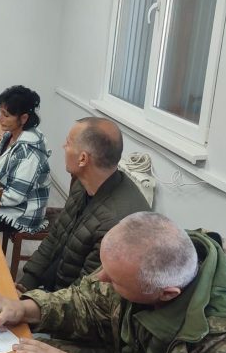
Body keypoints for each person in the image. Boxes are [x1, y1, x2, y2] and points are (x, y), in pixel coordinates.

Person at [0, 212, 226, 353]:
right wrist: (27, 309)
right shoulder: (148, 257)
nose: (100, 278)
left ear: (167, 294)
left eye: (114, 280)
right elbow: (89, 301)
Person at [17, 117, 150, 293]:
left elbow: (84, 295)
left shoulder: (114, 224)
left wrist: (31, 302)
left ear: (82, 159)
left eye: (68, 143)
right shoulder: (83, 183)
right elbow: (56, 236)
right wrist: (25, 284)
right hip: (54, 290)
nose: (63, 147)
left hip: (67, 302)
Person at [0, 85, 51, 233]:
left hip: (21, 213)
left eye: (5, 115)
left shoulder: (29, 153)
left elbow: (15, 197)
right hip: (3, 201)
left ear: (24, 118)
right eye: (0, 113)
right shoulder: (10, 135)